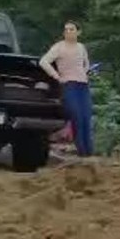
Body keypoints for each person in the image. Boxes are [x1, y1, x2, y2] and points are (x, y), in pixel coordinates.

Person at [40, 21, 94, 157]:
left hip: (82, 84)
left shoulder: (81, 47)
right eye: (66, 29)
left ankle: (90, 152)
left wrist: (85, 72)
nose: (68, 32)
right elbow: (44, 62)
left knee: (86, 116)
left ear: (78, 32)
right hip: (69, 84)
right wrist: (57, 77)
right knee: (76, 116)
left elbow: (86, 63)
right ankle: (82, 152)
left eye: (71, 29)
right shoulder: (59, 47)